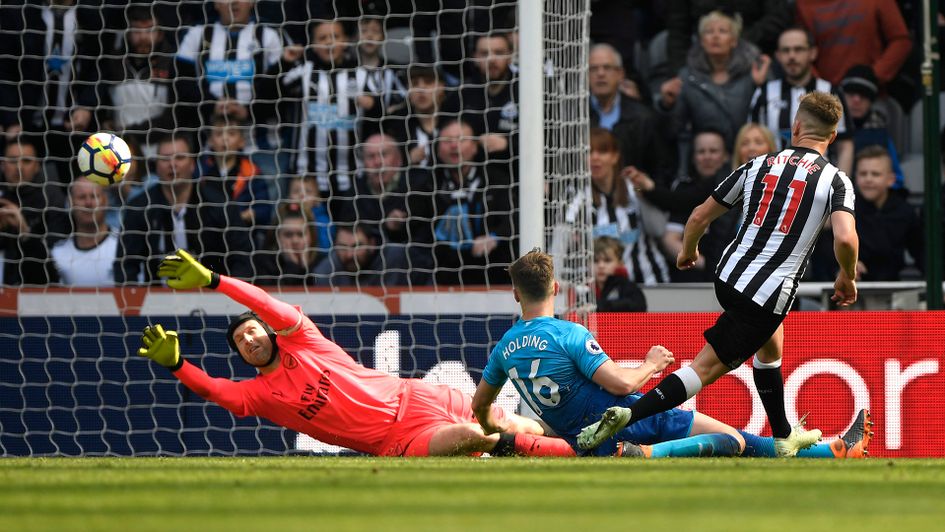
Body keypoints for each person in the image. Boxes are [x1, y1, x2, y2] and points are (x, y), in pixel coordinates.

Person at [578, 91, 860, 457]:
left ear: (795, 127)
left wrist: (688, 250)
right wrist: (847, 276)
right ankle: (627, 414)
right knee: (703, 368)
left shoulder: (759, 164)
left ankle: (784, 432)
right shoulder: (836, 181)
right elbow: (845, 237)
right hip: (766, 294)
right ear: (833, 137)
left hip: (728, 276)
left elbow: (698, 216)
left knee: (771, 342)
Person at [137, 248, 576, 458]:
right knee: (476, 436)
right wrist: (178, 364)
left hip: (419, 396)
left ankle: (587, 444)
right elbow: (218, 393)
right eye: (240, 343)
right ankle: (577, 456)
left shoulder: (303, 339)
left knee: (512, 422)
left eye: (252, 331)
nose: (249, 340)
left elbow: (265, 303)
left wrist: (214, 280)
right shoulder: (261, 394)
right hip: (396, 440)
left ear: (268, 332)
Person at [472, 249, 872, 459]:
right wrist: (653, 363)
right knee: (733, 441)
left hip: (585, 441)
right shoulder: (570, 334)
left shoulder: (504, 348)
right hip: (634, 421)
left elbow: (481, 405)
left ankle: (834, 450)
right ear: (556, 289)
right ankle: (646, 455)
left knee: (742, 441)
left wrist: (494, 427)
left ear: (515, 294)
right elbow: (622, 383)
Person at [115, 135, 253, 284]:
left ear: (193, 164)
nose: (172, 164)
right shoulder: (139, 207)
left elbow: (242, 260)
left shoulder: (220, 205)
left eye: (179, 158)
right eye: (165, 159)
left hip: (213, 297)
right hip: (156, 300)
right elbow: (125, 266)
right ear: (156, 166)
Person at [659, 10, 769, 164]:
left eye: (722, 31)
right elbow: (673, 130)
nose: (715, 36)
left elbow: (767, 120)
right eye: (709, 32)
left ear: (734, 41)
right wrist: (667, 105)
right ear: (702, 40)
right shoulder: (687, 77)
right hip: (706, 161)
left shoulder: (755, 72)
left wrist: (761, 86)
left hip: (746, 158)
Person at [749, 26, 854, 175]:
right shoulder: (764, 93)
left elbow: (844, 145)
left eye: (798, 49)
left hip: (819, 184)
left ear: (812, 53)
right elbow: (749, 141)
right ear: (778, 56)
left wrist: (840, 189)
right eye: (786, 50)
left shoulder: (830, 92)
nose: (792, 56)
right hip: (772, 184)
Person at [574, 128, 669, 285]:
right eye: (589, 152)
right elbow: (561, 248)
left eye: (602, 152)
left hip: (647, 283)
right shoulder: (576, 198)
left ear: (615, 157)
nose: (594, 158)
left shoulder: (634, 188)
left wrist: (644, 192)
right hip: (600, 292)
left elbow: (658, 229)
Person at [589, 43, 674, 187]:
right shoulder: (572, 120)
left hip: (632, 200)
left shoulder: (644, 118)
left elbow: (659, 173)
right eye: (593, 69)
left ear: (620, 74)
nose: (600, 74)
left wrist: (639, 190)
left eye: (607, 67)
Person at [795, 0, 911, 87]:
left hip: (870, 96)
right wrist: (819, 85)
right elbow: (799, 49)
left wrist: (872, 76)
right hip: (826, 98)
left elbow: (900, 40)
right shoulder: (803, 5)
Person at [0, 139, 69, 285]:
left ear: (37, 166)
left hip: (37, 286)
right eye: (12, 161)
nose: (19, 167)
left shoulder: (51, 201)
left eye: (26, 161)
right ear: (2, 165)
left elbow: (56, 255)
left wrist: (25, 232)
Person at [852, 146, 923, 282]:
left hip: (893, 288)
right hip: (852, 289)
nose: (868, 179)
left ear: (891, 179)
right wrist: (845, 265)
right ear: (856, 177)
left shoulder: (904, 212)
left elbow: (921, 253)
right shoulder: (845, 209)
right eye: (863, 173)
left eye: (875, 174)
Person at [50, 176, 117, 286]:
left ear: (106, 201)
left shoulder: (123, 246)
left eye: (94, 196)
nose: (88, 203)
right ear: (70, 203)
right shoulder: (58, 254)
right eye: (81, 197)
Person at [311, 224, 412, 287]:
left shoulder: (397, 258)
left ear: (372, 244)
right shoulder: (325, 273)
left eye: (357, 246)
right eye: (343, 247)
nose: (349, 254)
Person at [252, 202, 320, 286]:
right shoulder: (264, 264)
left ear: (311, 236)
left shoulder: (321, 263)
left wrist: (305, 269)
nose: (295, 241)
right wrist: (292, 266)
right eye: (288, 235)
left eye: (300, 234)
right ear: (277, 237)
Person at [593, 237, 647, 312]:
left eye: (607, 261)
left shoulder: (628, 287)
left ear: (620, 264)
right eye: (595, 261)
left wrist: (598, 307)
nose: (601, 266)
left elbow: (638, 306)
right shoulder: (583, 289)